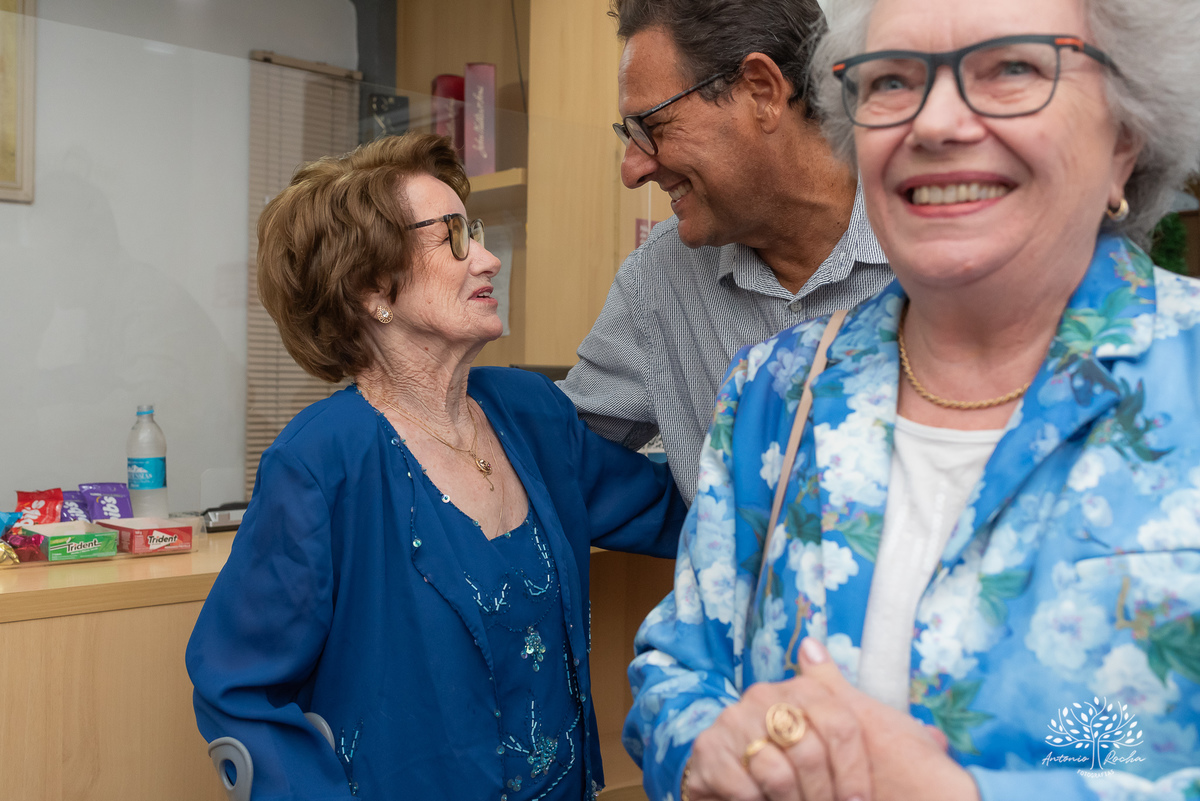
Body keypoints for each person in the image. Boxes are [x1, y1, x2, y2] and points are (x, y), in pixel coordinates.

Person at [624, 0, 1200, 798]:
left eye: (1012, 70)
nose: (934, 123)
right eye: (892, 81)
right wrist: (704, 750)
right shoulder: (776, 390)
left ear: (1125, 137)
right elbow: (679, 667)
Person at [185, 133, 687, 801]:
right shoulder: (321, 461)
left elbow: (676, 511)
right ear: (370, 288)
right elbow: (236, 687)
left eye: (474, 231)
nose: (488, 257)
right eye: (453, 236)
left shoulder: (531, 413)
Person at [559, 0, 894, 503]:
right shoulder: (658, 281)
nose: (632, 170)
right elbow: (560, 452)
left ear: (761, 91)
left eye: (652, 127)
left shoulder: (938, 242)